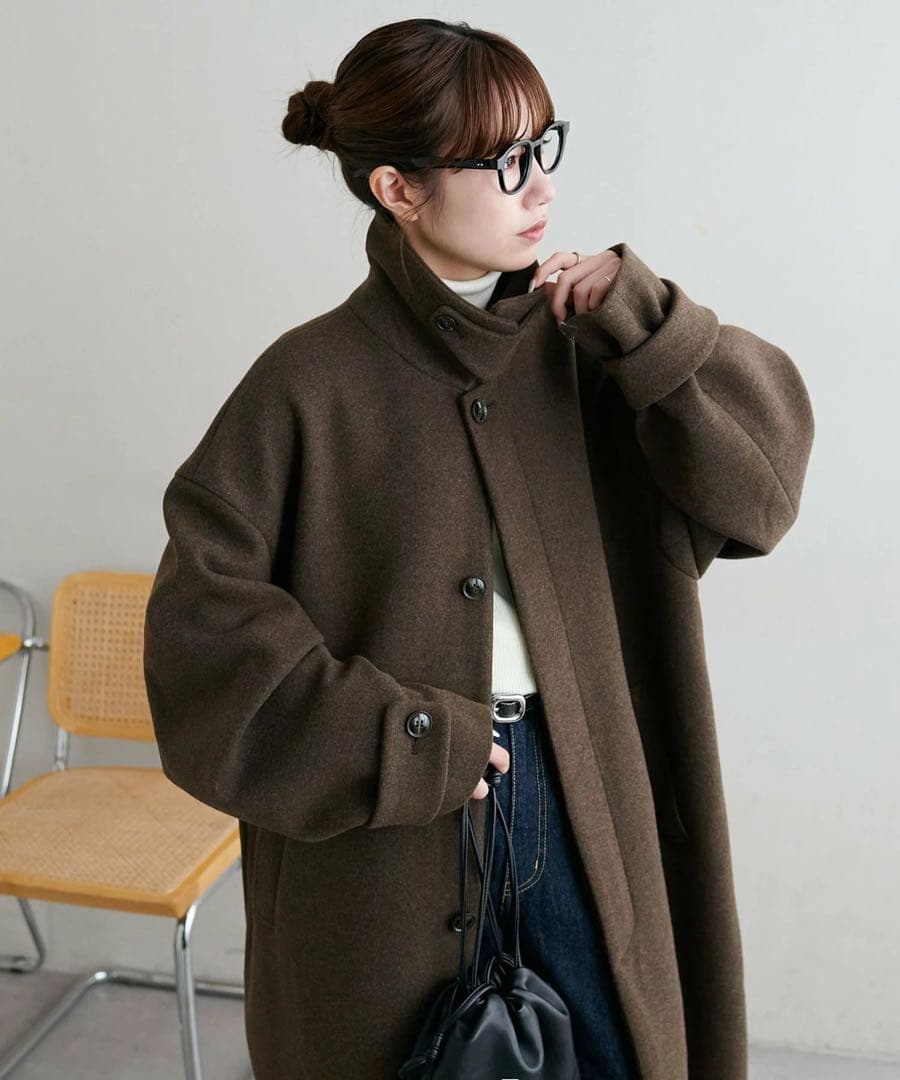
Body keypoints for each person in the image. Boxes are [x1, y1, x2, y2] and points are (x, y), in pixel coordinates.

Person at [143, 17, 814, 1080]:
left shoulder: (593, 349)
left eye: (544, 145)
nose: (539, 185)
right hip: (392, 820)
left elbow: (763, 491)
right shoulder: (305, 384)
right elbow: (200, 637)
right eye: (503, 161)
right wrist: (402, 739)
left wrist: (649, 322)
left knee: (618, 1050)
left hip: (586, 787)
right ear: (398, 190)